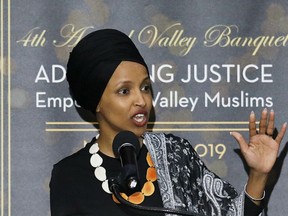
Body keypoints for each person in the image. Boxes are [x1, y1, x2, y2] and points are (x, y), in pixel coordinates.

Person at [49, 29, 287, 216]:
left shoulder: (176, 154)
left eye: (145, 87)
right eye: (124, 91)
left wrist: (258, 175)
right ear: (96, 101)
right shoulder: (69, 175)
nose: (141, 100)